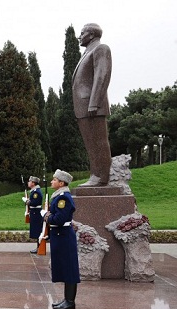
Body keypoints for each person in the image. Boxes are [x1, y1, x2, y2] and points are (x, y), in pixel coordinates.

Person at [72, 23, 112, 187]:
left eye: (82, 33)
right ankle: (95, 175)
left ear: (92, 34)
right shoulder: (87, 52)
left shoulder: (101, 49)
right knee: (90, 143)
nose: (79, 36)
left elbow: (102, 75)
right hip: (83, 106)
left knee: (98, 142)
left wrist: (94, 103)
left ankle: (101, 177)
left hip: (92, 105)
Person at [44, 169, 80, 309]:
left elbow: (59, 219)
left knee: (69, 268)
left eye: (54, 180)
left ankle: (70, 302)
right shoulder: (58, 196)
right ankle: (67, 299)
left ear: (61, 183)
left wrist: (47, 217)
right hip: (61, 235)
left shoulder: (63, 198)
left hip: (63, 235)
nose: (52, 181)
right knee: (66, 268)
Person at [21, 176, 44, 254]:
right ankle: (38, 247)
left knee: (38, 231)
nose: (28, 182)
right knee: (37, 231)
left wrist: (27, 201)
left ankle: (39, 248)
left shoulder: (36, 192)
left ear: (33, 183)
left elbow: (35, 203)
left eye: (29, 181)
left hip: (36, 213)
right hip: (34, 213)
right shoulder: (34, 191)